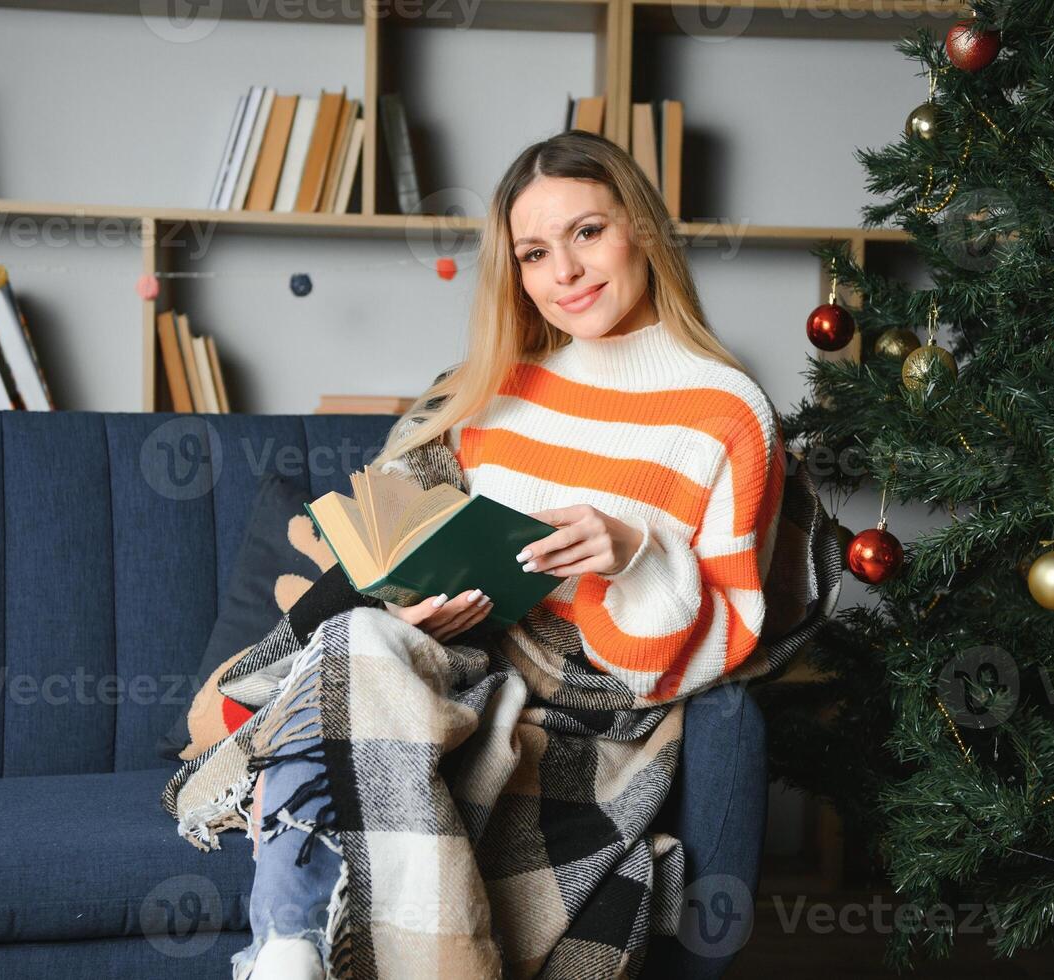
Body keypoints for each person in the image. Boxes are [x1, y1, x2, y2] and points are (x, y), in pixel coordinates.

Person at [237, 127, 786, 980]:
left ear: (640, 227)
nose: (562, 271)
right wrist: (411, 604)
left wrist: (635, 551)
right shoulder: (498, 390)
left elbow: (719, 647)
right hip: (465, 658)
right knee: (354, 642)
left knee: (360, 675)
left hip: (594, 706)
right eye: (534, 252)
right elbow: (416, 547)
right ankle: (286, 948)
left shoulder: (727, 411)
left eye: (587, 233)